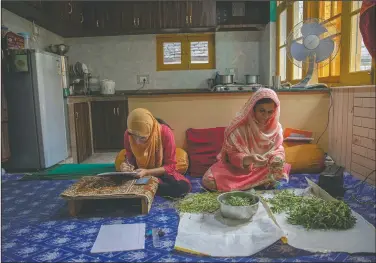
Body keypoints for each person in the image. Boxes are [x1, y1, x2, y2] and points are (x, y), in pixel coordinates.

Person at [202, 88, 291, 192]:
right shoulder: (238, 128)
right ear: (253, 109)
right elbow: (232, 156)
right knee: (209, 180)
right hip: (238, 170)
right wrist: (249, 159)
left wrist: (277, 159)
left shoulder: (276, 128)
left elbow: (278, 149)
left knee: (279, 169)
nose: (266, 116)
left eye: (270, 112)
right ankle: (255, 185)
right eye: (262, 111)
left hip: (262, 169)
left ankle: (245, 186)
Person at [120, 108, 191, 198]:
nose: (137, 142)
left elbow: (170, 166)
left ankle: (149, 186)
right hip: (138, 173)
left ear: (151, 131)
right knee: (114, 182)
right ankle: (149, 187)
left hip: (160, 173)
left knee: (182, 187)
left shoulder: (165, 133)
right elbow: (130, 158)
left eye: (142, 138)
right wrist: (126, 165)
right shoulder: (128, 134)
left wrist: (147, 172)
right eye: (134, 137)